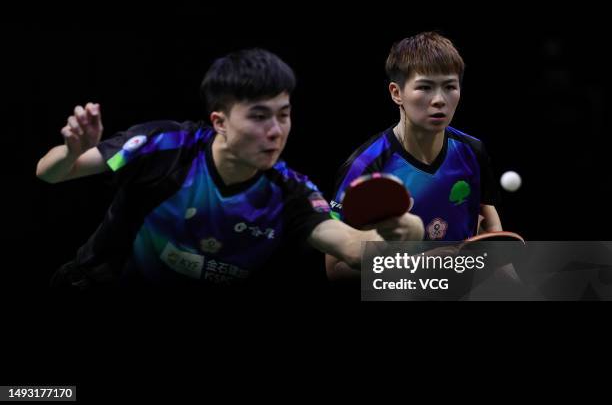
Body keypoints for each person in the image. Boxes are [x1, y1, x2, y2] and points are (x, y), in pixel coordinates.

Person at [36, 48, 424, 290]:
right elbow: (51, 173)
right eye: (258, 117)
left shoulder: (290, 192)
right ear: (219, 121)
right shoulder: (166, 146)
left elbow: (353, 251)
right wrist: (73, 152)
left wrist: (406, 233)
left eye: (284, 115)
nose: (275, 131)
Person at [327, 32, 502, 279]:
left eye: (450, 86)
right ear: (396, 93)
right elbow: (335, 269)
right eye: (425, 87)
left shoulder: (472, 151)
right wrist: (418, 265)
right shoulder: (366, 166)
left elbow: (488, 219)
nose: (439, 100)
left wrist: (507, 276)